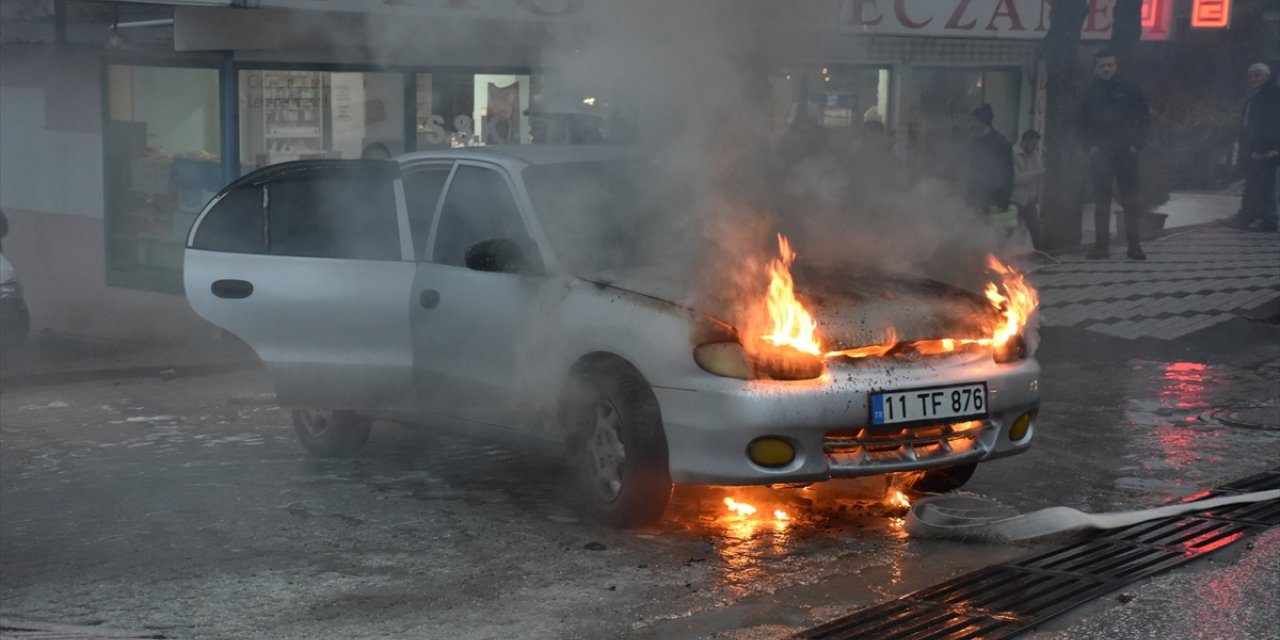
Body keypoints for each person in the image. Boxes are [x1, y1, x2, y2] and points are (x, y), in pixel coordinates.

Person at [1079, 49, 1151, 260]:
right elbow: (1081, 122)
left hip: (1126, 152)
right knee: (1101, 202)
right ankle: (1101, 247)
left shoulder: (1130, 88)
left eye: (1109, 65)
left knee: (1130, 200)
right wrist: (1089, 146)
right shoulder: (1090, 91)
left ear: (1116, 66)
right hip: (1101, 152)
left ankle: (1134, 246)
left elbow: (1144, 118)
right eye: (1102, 66)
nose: (1106, 69)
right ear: (1095, 68)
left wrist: (1136, 144)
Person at [1223, 63, 1280, 232]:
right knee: (1260, 184)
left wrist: (1265, 148)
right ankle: (1261, 217)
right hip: (1259, 149)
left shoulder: (1270, 97)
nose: (1253, 79)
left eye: (1257, 75)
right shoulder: (1259, 96)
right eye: (1250, 76)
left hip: (1265, 150)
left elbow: (1271, 124)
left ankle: (1252, 217)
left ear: (1267, 77)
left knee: (1257, 184)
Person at [964, 104, 1015, 226]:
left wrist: (1004, 199)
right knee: (974, 229)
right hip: (975, 195)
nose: (971, 124)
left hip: (995, 197)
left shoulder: (1001, 142)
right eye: (970, 121)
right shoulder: (972, 141)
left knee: (994, 233)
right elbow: (969, 167)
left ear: (983, 121)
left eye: (974, 120)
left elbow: (1008, 172)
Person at [1012, 129, 1045, 249]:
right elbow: (1016, 179)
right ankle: (999, 255)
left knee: (1036, 230)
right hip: (1015, 200)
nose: (1035, 148)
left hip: (1030, 200)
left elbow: (1040, 172)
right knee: (1008, 231)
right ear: (1025, 141)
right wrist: (1037, 173)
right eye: (1033, 144)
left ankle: (1042, 254)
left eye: (1036, 145)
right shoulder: (1013, 154)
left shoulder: (1034, 155)